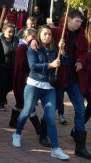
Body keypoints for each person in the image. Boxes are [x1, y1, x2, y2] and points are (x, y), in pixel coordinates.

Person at [30, 9, 91, 159]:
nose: (79, 24)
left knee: (80, 109)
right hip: (58, 78)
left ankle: (80, 146)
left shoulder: (82, 35)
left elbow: (85, 52)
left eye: (81, 22)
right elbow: (41, 36)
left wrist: (80, 61)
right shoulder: (58, 31)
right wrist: (32, 40)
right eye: (77, 21)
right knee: (50, 109)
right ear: (69, 19)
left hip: (74, 79)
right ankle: (44, 134)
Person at [12, 25, 69, 160]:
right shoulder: (33, 48)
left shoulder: (54, 49)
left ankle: (55, 148)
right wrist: (50, 65)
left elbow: (65, 62)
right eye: (45, 34)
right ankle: (17, 133)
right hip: (34, 85)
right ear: (39, 34)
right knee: (26, 111)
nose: (47, 36)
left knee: (50, 117)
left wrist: (62, 50)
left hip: (49, 87)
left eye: (49, 34)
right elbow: (33, 66)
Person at [10, 27, 49, 145]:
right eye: (32, 37)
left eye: (35, 37)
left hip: (28, 78)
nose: (34, 39)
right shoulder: (22, 47)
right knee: (28, 106)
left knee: (22, 102)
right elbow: (24, 63)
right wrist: (35, 63)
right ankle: (38, 128)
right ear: (26, 37)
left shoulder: (32, 46)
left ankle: (13, 120)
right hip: (24, 78)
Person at [0, 23, 19, 111]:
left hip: (14, 66)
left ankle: (3, 95)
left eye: (13, 32)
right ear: (4, 31)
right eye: (9, 32)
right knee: (2, 85)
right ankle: (1, 103)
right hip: (3, 67)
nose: (11, 34)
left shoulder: (16, 39)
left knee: (11, 85)